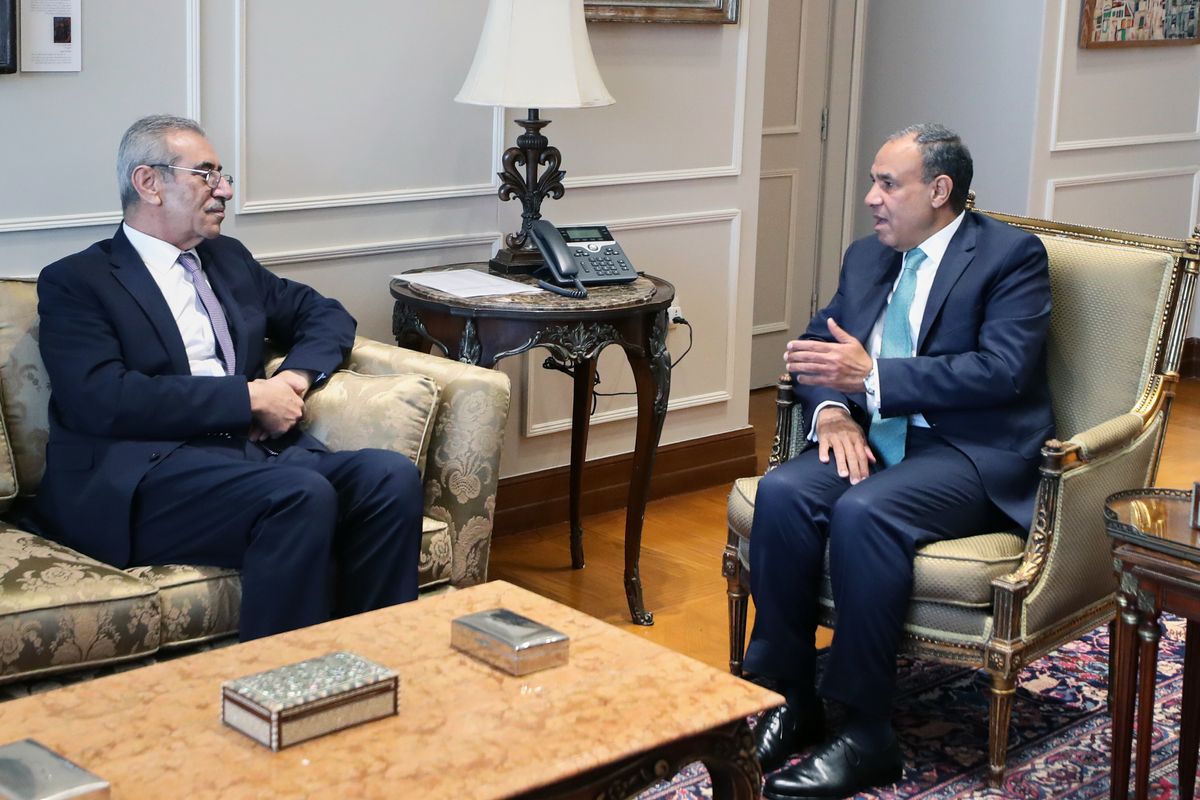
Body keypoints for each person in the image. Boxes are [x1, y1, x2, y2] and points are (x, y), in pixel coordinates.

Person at [745, 123, 1053, 799]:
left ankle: (867, 735)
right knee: (784, 492)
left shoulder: (1009, 257)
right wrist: (833, 410)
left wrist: (875, 377)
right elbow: (818, 348)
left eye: (887, 184)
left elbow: (1003, 370)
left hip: (968, 449)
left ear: (939, 190)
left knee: (866, 512)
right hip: (873, 434)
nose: (870, 198)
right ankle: (790, 699)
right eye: (873, 182)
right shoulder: (868, 256)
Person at [35, 114, 424, 641]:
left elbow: (324, 315)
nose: (225, 191)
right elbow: (101, 398)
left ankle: (377, 658)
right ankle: (281, 679)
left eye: (223, 175)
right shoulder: (78, 281)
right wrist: (246, 398)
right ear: (148, 183)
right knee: (298, 494)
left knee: (389, 478)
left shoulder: (226, 259)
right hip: (148, 474)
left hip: (251, 458)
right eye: (206, 175)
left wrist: (291, 381)